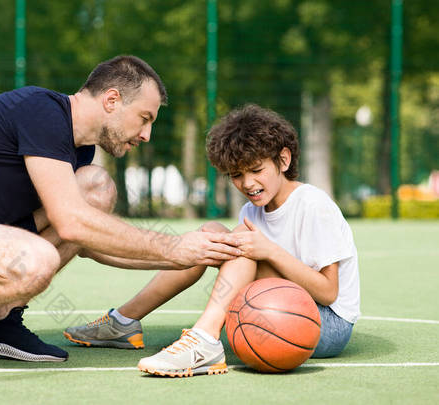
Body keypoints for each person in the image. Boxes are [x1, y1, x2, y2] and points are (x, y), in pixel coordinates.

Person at [0, 55, 243, 369]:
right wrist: (173, 248)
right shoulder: (42, 111)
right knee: (37, 260)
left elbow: (86, 240)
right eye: (144, 118)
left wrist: (188, 255)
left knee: (95, 187)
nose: (146, 135)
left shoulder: (77, 150)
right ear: (112, 100)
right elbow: (71, 222)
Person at [64, 104, 360, 377]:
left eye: (257, 170)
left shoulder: (311, 204)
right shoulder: (252, 211)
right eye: (236, 175)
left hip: (325, 323)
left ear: (283, 159)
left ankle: (205, 339)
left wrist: (268, 251)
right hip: (278, 306)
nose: (248, 184)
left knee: (240, 246)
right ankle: (124, 321)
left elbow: (328, 292)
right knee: (211, 234)